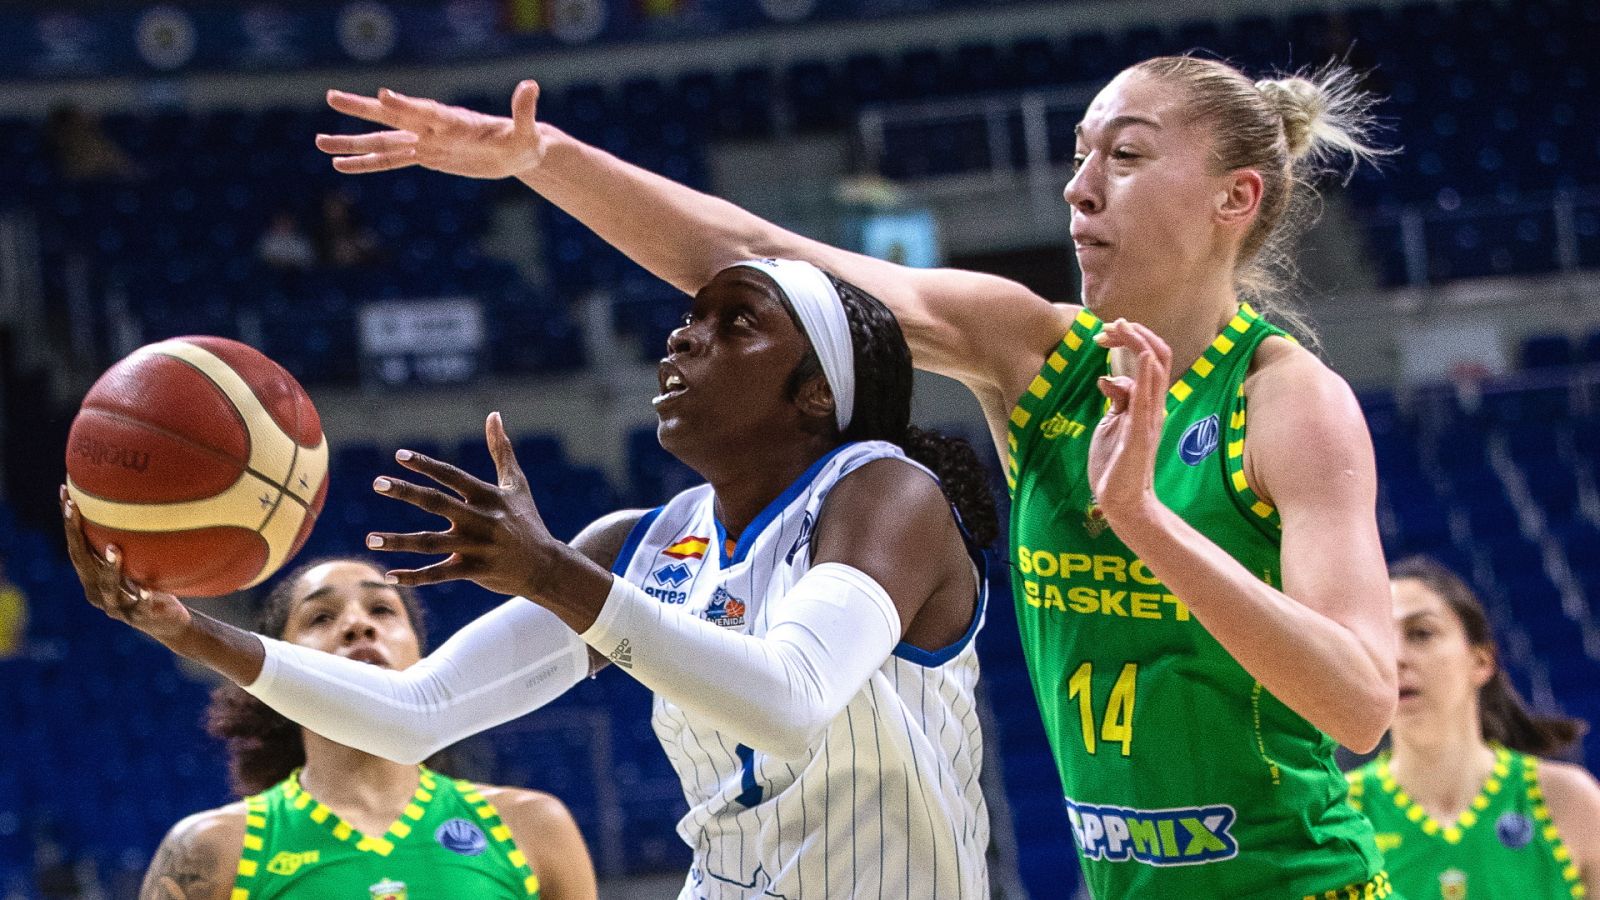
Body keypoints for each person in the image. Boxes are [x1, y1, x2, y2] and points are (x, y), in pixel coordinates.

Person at [315, 53, 1401, 897]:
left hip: (1300, 884)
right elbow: (762, 257)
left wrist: (1144, 520)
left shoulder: (1285, 400)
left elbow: (1358, 705)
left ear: (1235, 199)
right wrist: (540, 156)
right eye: (1077, 155)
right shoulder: (1034, 354)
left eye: (1123, 156)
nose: (1079, 188)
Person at [66, 259, 1000, 899]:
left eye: (735, 324)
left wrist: (554, 574)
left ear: (814, 395)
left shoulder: (885, 492)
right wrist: (186, 627)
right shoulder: (641, 543)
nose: (681, 340)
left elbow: (792, 702)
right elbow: (419, 709)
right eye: (687, 318)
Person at [55, 544, 598, 900]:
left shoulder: (534, 827)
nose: (358, 625)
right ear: (278, 663)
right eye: (321, 617)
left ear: (426, 654)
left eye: (383, 611)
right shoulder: (214, 849)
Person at [1346, 557, 1600, 898]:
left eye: (1421, 633)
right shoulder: (1342, 812)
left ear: (1481, 661)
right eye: (1379, 638)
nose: (1395, 657)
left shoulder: (1569, 800)